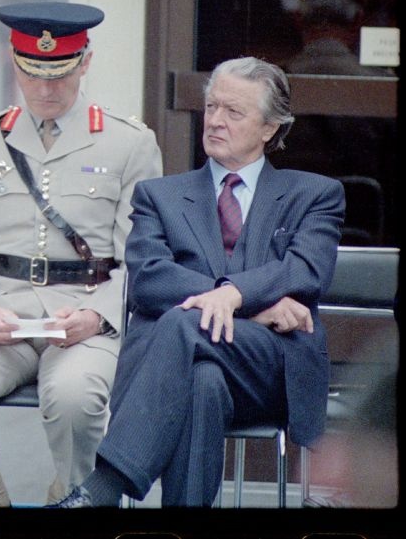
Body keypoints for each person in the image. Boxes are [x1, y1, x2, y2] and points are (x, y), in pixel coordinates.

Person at [51, 57, 344, 508]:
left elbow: (307, 269)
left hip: (268, 365)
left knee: (183, 323)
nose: (216, 121)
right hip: (196, 366)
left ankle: (104, 486)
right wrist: (252, 303)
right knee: (202, 378)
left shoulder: (314, 194)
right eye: (212, 107)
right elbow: (148, 278)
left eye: (234, 112)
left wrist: (234, 296)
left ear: (269, 128)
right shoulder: (160, 195)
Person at [0, 2, 163, 506]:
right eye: (33, 74)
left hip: (85, 313)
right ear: (15, 65)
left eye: (59, 74)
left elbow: (142, 260)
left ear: (84, 62)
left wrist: (96, 316)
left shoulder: (129, 143)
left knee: (77, 398)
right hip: (1, 310)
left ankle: (74, 493)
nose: (45, 89)